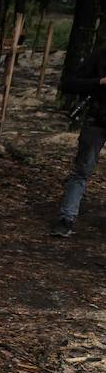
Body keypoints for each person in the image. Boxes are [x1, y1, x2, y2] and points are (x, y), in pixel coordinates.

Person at [50, 47, 106, 237]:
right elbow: (69, 83)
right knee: (82, 170)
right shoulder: (101, 55)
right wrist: (99, 82)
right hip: (96, 121)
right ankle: (67, 218)